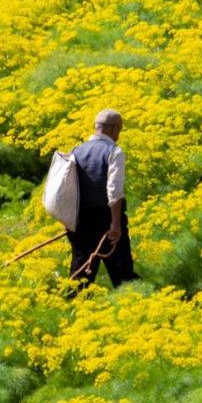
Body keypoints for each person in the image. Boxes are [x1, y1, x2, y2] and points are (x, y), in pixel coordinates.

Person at [67, 109, 140, 289]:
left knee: (81, 275)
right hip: (106, 221)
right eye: (120, 131)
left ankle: (72, 311)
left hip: (79, 221)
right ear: (114, 129)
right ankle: (131, 307)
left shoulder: (76, 150)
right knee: (123, 273)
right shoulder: (114, 151)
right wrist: (115, 224)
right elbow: (114, 191)